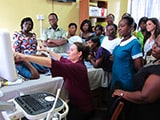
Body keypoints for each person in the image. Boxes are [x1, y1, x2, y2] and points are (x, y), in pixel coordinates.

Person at [14, 42, 94, 120]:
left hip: (83, 109)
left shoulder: (78, 68)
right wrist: (47, 50)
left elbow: (50, 62)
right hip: (75, 104)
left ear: (79, 54)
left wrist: (24, 57)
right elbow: (60, 58)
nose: (68, 52)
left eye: (71, 50)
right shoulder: (73, 63)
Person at [112, 34, 160, 120]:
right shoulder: (157, 60)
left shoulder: (158, 72)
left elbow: (145, 97)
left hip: (148, 113)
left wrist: (123, 93)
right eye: (155, 43)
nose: (153, 47)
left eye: (158, 46)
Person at [111, 16, 143, 93]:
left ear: (131, 27)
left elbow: (138, 67)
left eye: (122, 26)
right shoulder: (121, 41)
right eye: (118, 26)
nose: (119, 29)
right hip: (116, 78)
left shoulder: (134, 43)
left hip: (125, 81)